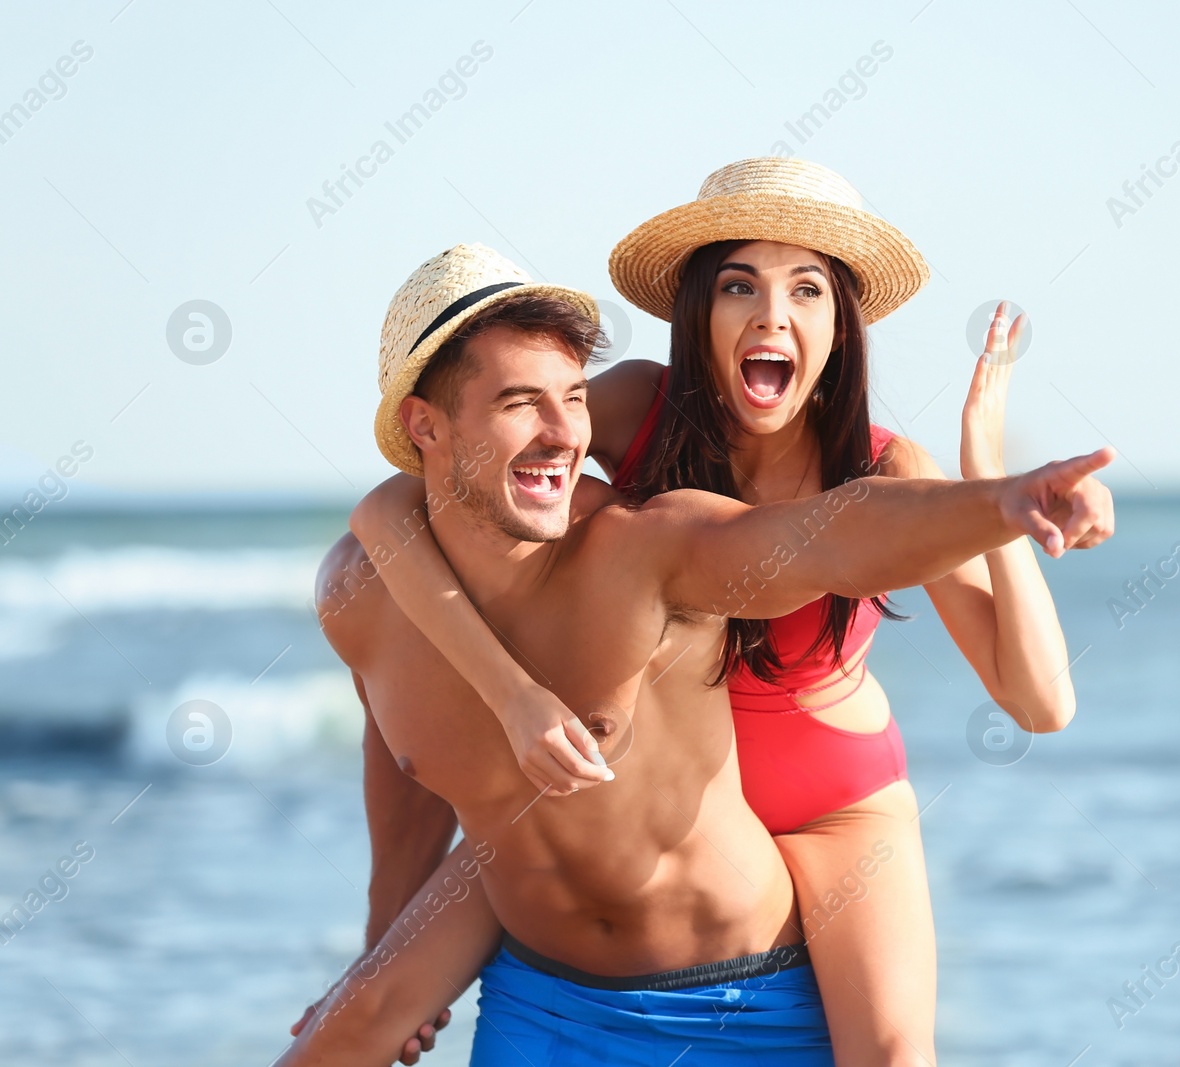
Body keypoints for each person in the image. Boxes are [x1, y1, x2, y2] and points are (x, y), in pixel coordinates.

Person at [342, 159, 1115, 1065]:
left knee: (897, 1056)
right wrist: (509, 691)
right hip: (668, 808)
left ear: (839, 324)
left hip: (833, 805)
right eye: (739, 284)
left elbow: (1041, 704)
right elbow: (396, 506)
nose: (771, 315)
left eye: (807, 289)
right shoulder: (636, 407)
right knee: (358, 1015)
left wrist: (996, 492)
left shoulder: (885, 469)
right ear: (698, 311)